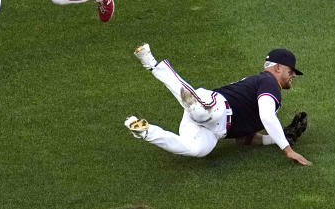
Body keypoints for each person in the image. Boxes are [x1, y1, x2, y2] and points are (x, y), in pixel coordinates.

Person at [124, 44, 312, 166]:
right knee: (202, 112)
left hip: (215, 129)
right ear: (277, 67)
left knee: (196, 150)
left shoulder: (266, 90)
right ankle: (152, 64)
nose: (294, 75)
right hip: (216, 107)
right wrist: (287, 149)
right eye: (291, 70)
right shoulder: (269, 82)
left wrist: (274, 139)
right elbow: (267, 116)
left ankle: (145, 131)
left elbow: (243, 139)